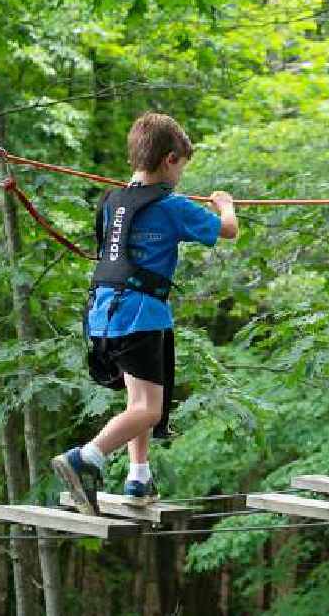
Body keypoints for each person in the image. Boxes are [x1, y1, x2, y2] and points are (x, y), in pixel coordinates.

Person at [52, 112, 238, 515]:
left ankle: (139, 475)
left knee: (138, 400)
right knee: (148, 410)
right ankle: (86, 458)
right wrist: (226, 204)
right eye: (182, 167)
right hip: (141, 314)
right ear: (170, 159)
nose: (181, 177)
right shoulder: (172, 205)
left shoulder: (112, 201)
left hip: (103, 312)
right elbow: (228, 231)